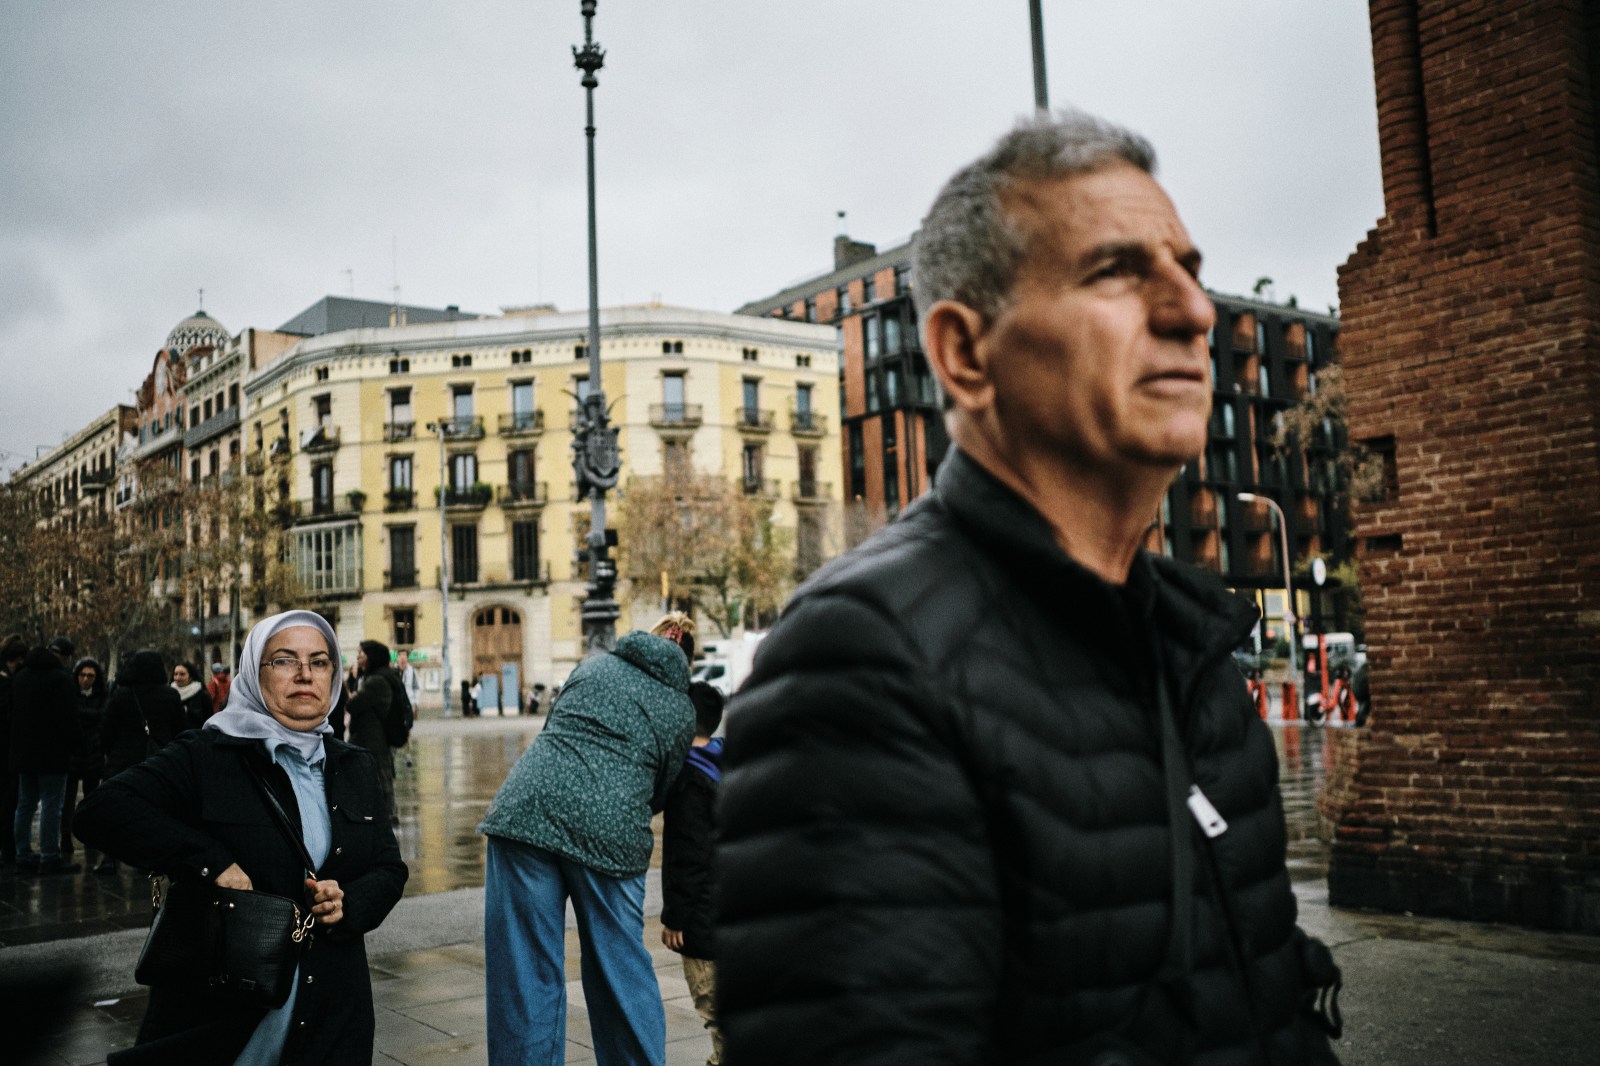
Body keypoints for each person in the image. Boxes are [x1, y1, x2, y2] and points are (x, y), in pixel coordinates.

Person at [718, 111, 1344, 1064]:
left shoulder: (1192, 647)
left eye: (1188, 268)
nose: (1193, 311)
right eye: (1116, 272)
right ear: (966, 355)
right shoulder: (865, 660)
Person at [75, 610, 408, 1064]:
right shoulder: (210, 754)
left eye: (319, 661)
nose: (305, 674)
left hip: (331, 1010)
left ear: (334, 675)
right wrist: (209, 862)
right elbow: (101, 811)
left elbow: (389, 868)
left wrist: (349, 901)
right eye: (285, 660)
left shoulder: (354, 765)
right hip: (224, 1012)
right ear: (254, 671)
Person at [478, 613, 698, 1066]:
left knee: (525, 975)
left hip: (525, 811)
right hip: (610, 830)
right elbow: (663, 787)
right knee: (619, 970)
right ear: (686, 660)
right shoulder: (681, 708)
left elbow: (556, 730)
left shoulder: (592, 666)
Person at [660, 681, 726, 1066]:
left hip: (702, 924)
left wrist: (675, 917)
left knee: (716, 1013)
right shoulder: (728, 763)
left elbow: (689, 856)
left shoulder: (688, 780)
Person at [96, 650, 187, 875]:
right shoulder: (170, 696)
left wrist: (112, 753)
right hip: (159, 763)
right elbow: (181, 731)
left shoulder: (121, 695)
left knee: (117, 812)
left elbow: (106, 731)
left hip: (123, 763)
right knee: (154, 812)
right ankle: (147, 858)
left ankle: (110, 857)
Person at [9, 637, 82, 874]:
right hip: (52, 754)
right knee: (52, 804)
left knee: (25, 804)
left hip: (23, 753)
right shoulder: (61, 680)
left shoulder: (20, 678)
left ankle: (22, 855)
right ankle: (50, 856)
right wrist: (76, 748)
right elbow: (70, 720)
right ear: (64, 656)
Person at [345, 640, 404, 821]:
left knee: (379, 776)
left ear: (371, 657)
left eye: (361, 654)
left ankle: (386, 815)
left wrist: (353, 697)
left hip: (372, 738)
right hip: (373, 737)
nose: (358, 657)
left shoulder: (377, 681)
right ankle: (383, 814)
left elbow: (353, 705)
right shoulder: (378, 677)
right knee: (379, 775)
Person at [61, 656, 108, 868]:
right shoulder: (70, 694)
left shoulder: (102, 695)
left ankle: (89, 836)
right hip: (73, 752)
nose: (86, 679)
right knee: (67, 800)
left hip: (93, 753)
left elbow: (102, 716)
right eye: (82, 675)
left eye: (90, 675)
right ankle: (65, 836)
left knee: (91, 798)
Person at [0, 635, 28, 867]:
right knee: (9, 802)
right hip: (7, 752)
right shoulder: (8, 683)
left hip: (9, 751)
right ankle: (9, 849)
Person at [171, 661, 213, 731]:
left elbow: (208, 721)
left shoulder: (203, 696)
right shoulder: (169, 694)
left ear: (191, 676)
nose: (178, 678)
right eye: (175, 674)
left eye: (182, 674)